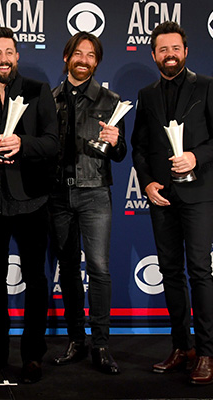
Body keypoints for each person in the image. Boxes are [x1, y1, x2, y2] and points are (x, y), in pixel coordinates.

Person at [0, 27, 59, 383]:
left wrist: (23, 143)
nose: (3, 59)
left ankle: (33, 355)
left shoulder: (37, 91)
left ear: (17, 56)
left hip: (31, 200)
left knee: (35, 279)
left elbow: (53, 143)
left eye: (8, 52)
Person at [132, 21, 213, 385]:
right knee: (170, 272)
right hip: (162, 196)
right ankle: (182, 347)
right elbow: (139, 146)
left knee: (199, 271)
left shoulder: (206, 87)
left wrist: (196, 157)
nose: (169, 55)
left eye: (175, 48)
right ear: (153, 55)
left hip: (199, 195)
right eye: (163, 49)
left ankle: (207, 352)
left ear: (185, 52)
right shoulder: (147, 94)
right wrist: (147, 181)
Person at [49, 32, 126, 375]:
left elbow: (120, 154)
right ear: (67, 58)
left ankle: (101, 345)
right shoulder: (49, 99)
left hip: (95, 192)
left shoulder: (111, 101)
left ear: (97, 62)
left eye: (91, 55)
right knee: (67, 268)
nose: (84, 60)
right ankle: (76, 340)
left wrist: (116, 141)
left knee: (98, 268)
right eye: (78, 53)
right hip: (57, 196)